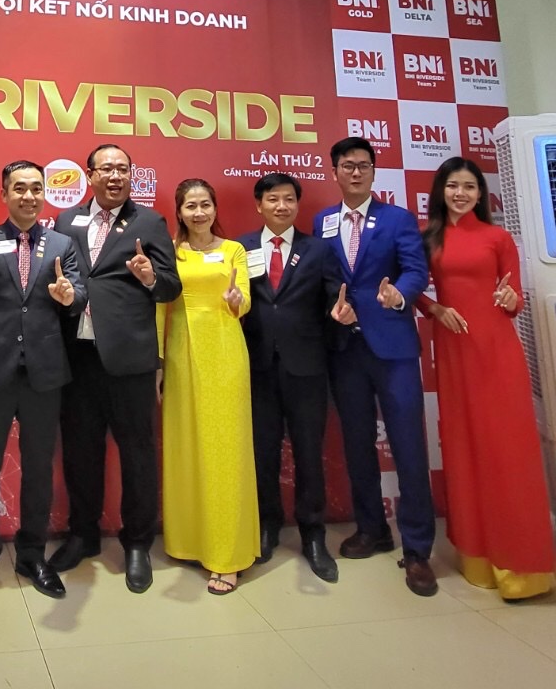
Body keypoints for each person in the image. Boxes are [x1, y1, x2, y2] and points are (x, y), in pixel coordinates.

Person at [416, 157, 553, 600]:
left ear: (480, 194)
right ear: (441, 191)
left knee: (508, 448)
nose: (461, 194)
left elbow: (514, 299)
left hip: (495, 350)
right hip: (453, 350)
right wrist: (435, 309)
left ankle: (522, 564)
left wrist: (511, 299)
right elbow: (413, 287)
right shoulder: (428, 237)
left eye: (469, 187)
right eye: (453, 186)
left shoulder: (498, 237)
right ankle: (477, 554)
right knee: (465, 446)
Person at [49, 144, 181, 593]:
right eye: (106, 168)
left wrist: (150, 277)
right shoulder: (66, 221)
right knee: (80, 451)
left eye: (123, 169)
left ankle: (138, 542)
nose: (115, 176)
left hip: (129, 359)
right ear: (89, 175)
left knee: (137, 454)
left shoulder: (149, 222)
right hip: (78, 357)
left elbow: (170, 288)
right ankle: (82, 534)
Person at [0, 160, 86, 606]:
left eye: (36, 188)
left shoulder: (63, 244)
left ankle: (32, 555)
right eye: (19, 188)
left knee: (38, 469)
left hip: (44, 375)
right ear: (5, 194)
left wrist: (70, 297)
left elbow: (78, 294)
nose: (29, 196)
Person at [314, 137, 436, 596]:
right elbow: (326, 279)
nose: (356, 172)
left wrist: (399, 294)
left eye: (364, 165)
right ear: (334, 172)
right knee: (357, 444)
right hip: (346, 349)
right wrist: (334, 306)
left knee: (408, 447)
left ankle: (418, 549)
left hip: (393, 349)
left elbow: (416, 270)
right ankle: (372, 529)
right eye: (347, 165)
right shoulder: (323, 221)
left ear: (373, 171)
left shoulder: (397, 219)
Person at [237, 172, 339, 583]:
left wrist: (339, 312)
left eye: (289, 199)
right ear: (259, 205)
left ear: (298, 204)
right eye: (273, 199)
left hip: (306, 367)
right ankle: (267, 525)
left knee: (309, 453)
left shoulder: (319, 250)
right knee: (262, 453)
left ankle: (313, 534)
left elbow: (333, 297)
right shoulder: (240, 248)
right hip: (257, 366)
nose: (282, 206)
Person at [159, 178, 256, 595]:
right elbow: (160, 309)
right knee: (185, 447)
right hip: (181, 353)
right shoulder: (170, 252)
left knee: (225, 451)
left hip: (225, 350)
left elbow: (244, 298)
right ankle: (188, 542)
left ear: (215, 208)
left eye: (205, 205)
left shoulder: (233, 250)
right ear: (179, 212)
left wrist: (235, 300)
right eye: (190, 206)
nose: (199, 213)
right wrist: (158, 363)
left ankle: (227, 554)